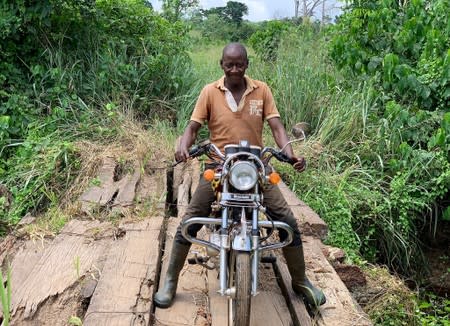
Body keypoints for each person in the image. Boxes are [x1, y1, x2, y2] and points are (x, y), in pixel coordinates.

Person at [154, 42, 326, 309]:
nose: (234, 69)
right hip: (219, 165)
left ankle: (301, 281)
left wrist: (290, 155)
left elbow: (277, 127)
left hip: (257, 166)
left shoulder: (262, 90)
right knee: (190, 218)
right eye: (229, 64)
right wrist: (183, 146)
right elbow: (192, 127)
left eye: (239, 64)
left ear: (247, 64)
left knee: (286, 220)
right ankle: (170, 282)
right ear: (221, 65)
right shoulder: (209, 92)